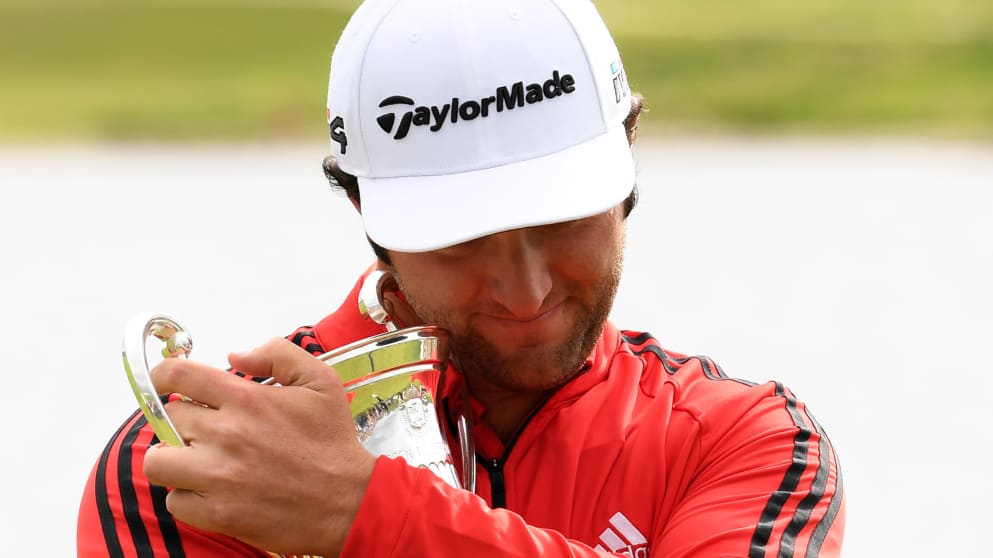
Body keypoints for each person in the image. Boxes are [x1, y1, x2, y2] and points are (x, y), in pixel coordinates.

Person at [78, 0, 845, 556]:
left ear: (629, 158)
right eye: (459, 241)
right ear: (361, 207)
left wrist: (368, 516)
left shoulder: (749, 441)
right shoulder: (197, 460)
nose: (525, 289)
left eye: (561, 221)